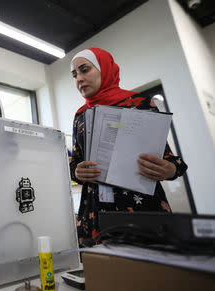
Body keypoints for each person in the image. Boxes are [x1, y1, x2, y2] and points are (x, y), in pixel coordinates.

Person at [69, 48, 188, 246]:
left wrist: (170, 169)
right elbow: (75, 163)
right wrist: (77, 172)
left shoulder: (139, 103)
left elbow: (168, 159)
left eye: (85, 70)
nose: (79, 79)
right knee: (106, 272)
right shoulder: (80, 116)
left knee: (152, 271)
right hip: (95, 211)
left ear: (104, 69)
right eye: (74, 75)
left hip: (141, 208)